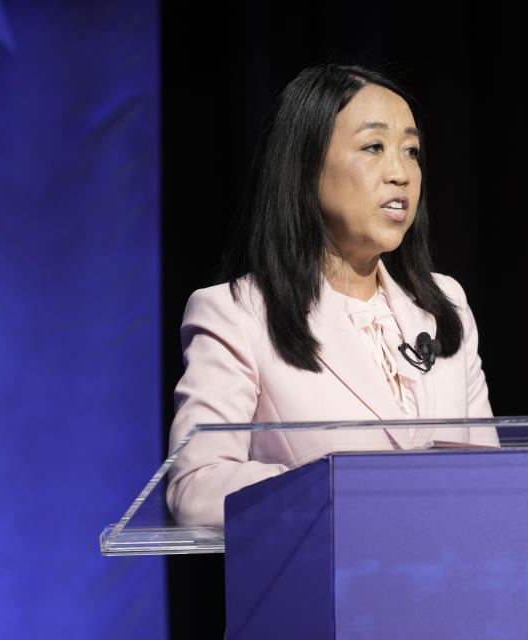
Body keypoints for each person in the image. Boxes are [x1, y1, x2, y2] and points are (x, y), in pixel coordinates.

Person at [167, 64, 498, 526]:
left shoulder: (444, 304)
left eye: (411, 151)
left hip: (452, 588)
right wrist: (336, 488)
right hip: (325, 591)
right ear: (304, 166)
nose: (401, 173)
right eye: (373, 147)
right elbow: (195, 488)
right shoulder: (237, 314)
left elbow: (492, 479)